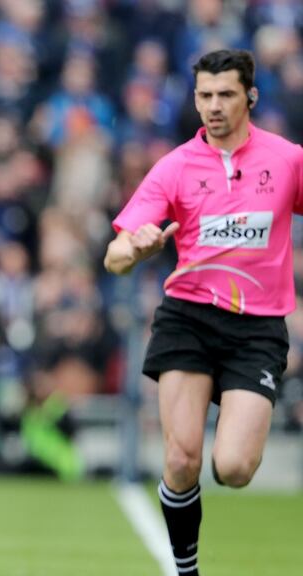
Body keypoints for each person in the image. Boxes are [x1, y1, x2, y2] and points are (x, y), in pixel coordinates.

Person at [103, 49, 303, 576]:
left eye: (226, 95)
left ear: (250, 97)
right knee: (181, 458)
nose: (213, 106)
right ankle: (186, 570)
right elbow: (114, 256)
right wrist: (137, 249)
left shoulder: (286, 160)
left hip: (257, 328)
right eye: (205, 96)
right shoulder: (174, 167)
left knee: (234, 468)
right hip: (188, 318)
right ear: (195, 98)